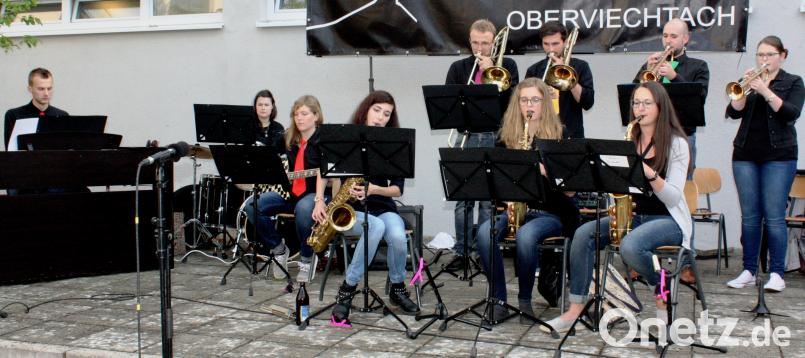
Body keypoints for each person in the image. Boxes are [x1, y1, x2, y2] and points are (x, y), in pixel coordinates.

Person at [543, 81, 692, 333]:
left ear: (660, 107)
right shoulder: (630, 141)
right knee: (582, 234)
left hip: (668, 220)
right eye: (636, 103)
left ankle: (662, 286)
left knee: (630, 246)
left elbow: (674, 198)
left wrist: (650, 174)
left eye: (647, 103)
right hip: (633, 216)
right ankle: (574, 309)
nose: (639, 109)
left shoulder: (677, 144)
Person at [475, 78, 579, 324]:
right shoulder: (505, 137)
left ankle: (524, 302)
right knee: (483, 233)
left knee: (526, 236)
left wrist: (547, 173)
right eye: (524, 100)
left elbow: (572, 191)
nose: (529, 105)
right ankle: (498, 300)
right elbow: (495, 183)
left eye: (535, 99)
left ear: (545, 103)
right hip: (516, 209)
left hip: (552, 212)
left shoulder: (561, 136)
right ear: (517, 104)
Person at [330, 90, 419, 326]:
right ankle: (347, 290)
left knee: (398, 236)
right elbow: (332, 176)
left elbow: (398, 190)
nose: (381, 117)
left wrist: (373, 190)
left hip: (383, 206)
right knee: (375, 227)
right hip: (352, 209)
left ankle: (397, 288)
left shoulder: (395, 144)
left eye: (387, 114)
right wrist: (341, 192)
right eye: (377, 110)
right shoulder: (346, 137)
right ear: (366, 110)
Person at [725, 36, 804, 292]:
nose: (764, 60)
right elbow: (734, 111)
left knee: (774, 217)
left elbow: (791, 114)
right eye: (760, 55)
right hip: (745, 154)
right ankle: (748, 269)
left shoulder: (792, 82)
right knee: (749, 217)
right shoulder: (750, 81)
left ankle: (777, 273)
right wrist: (742, 90)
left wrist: (765, 91)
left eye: (769, 55)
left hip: (779, 156)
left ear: (782, 55)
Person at [445, 19, 519, 267]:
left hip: (494, 136)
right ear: (469, 40)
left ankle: (484, 253)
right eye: (475, 43)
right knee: (462, 200)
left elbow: (512, 104)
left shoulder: (507, 65)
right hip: (466, 136)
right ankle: (462, 253)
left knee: (488, 202)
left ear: (494, 42)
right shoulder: (458, 67)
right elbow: (448, 103)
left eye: (485, 43)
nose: (480, 48)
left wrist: (491, 76)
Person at [242, 95, 330, 283]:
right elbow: (269, 157)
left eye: (304, 114)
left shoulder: (325, 139)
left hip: (314, 195)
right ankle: (279, 249)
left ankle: (307, 258)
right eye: (296, 114)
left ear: (316, 116)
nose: (299, 118)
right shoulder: (288, 137)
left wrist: (320, 200)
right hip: (290, 194)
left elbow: (327, 172)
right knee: (252, 206)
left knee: (304, 209)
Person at [633, 18, 708, 177]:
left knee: (682, 188)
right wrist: (646, 71)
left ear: (685, 39)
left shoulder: (699, 66)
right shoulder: (652, 64)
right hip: (651, 139)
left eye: (673, 36)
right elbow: (633, 93)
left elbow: (700, 97)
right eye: (665, 36)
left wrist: (674, 77)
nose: (668, 40)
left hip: (683, 137)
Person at [524, 21, 594, 139]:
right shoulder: (534, 70)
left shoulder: (581, 67)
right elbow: (525, 105)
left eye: (555, 44)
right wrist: (541, 95)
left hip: (571, 135)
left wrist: (568, 75)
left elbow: (588, 103)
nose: (551, 49)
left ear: (565, 42)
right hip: (541, 134)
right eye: (546, 44)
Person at [4, 67, 68, 149]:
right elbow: (10, 151)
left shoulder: (62, 115)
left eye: (49, 88)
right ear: (30, 89)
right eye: (41, 89)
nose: (46, 93)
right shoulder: (14, 115)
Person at [252, 89, 286, 154]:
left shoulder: (279, 128)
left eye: (266, 105)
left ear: (272, 107)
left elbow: (283, 155)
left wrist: (285, 164)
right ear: (255, 106)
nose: (263, 108)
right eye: (260, 104)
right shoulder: (248, 127)